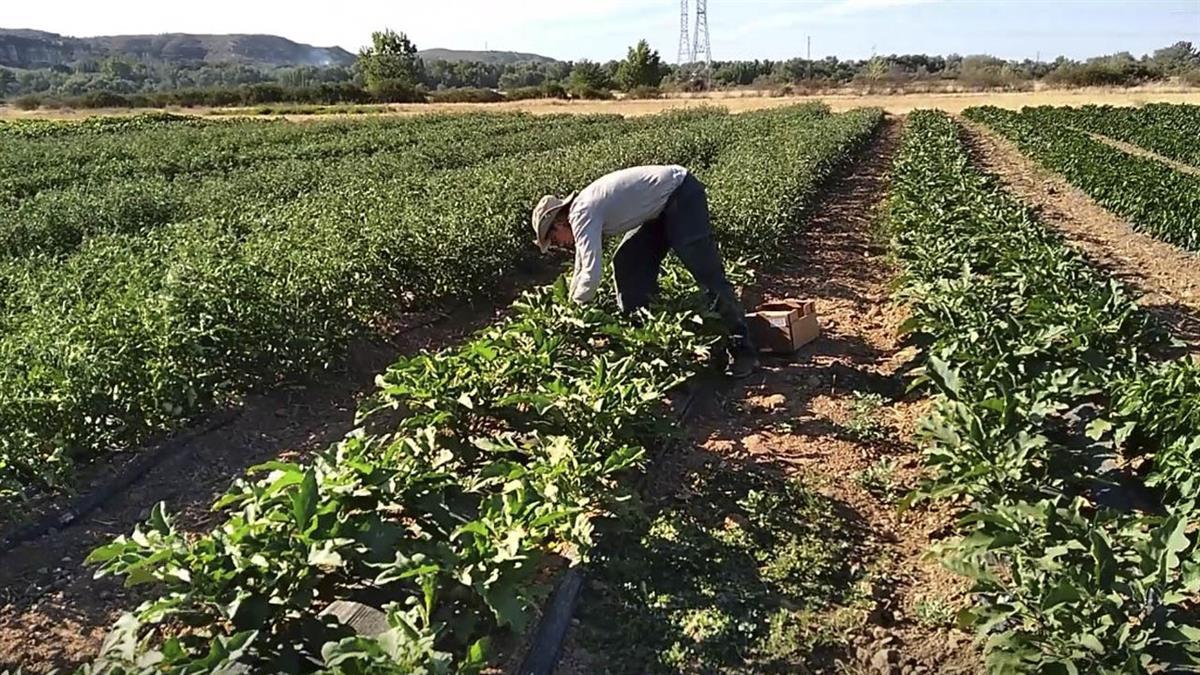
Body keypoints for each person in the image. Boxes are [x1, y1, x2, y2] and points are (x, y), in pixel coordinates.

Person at [531, 164, 759, 378]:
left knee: (706, 272)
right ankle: (644, 339)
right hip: (659, 209)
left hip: (680, 195)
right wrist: (569, 305)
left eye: (554, 239)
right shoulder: (581, 211)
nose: (559, 245)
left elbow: (591, 273)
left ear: (558, 224)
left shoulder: (581, 213)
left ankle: (742, 350)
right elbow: (580, 267)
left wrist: (573, 315)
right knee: (628, 262)